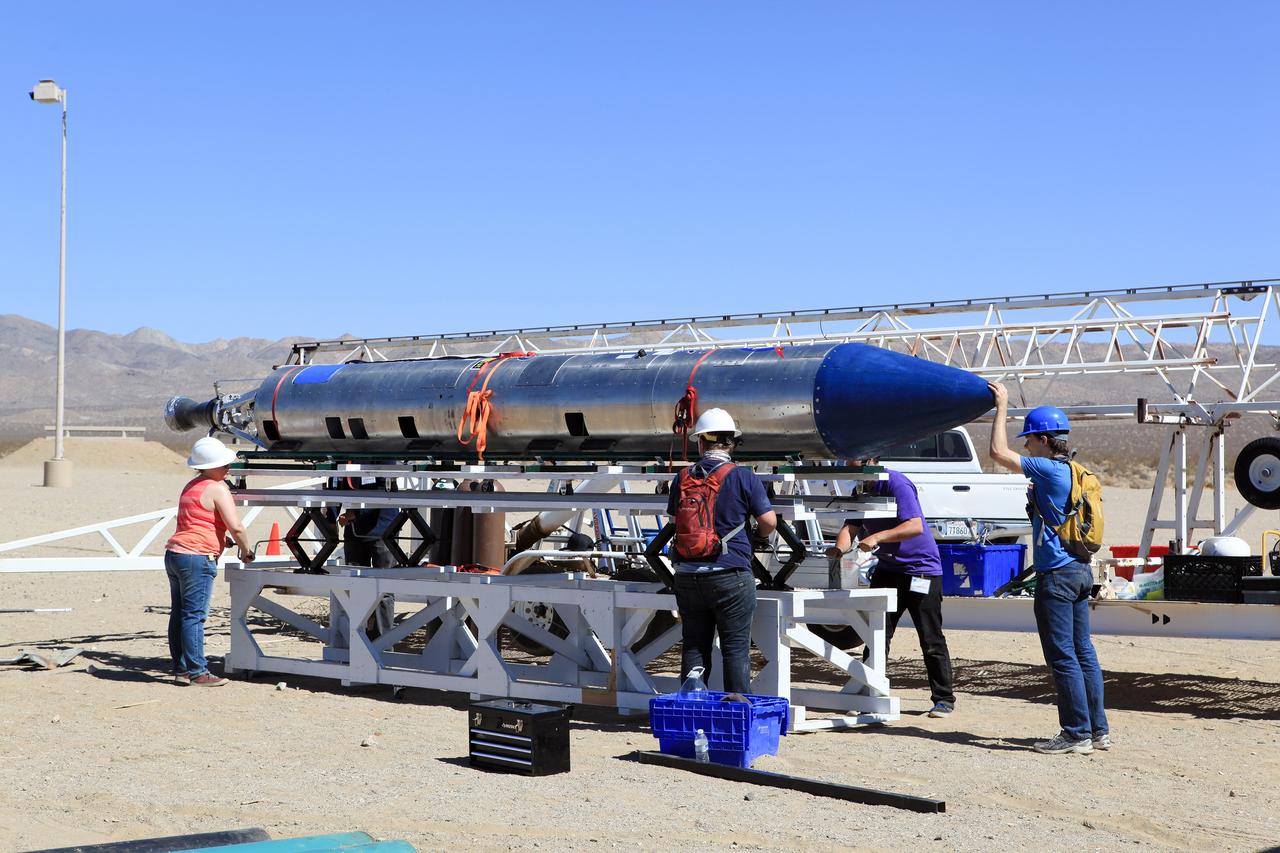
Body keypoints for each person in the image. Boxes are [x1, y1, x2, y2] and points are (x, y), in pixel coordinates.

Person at [988, 382, 1109, 754]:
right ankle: (1096, 729)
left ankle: (1075, 733)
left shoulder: (1047, 470)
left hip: (1056, 575)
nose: (1026, 446)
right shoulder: (1075, 470)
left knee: (1062, 656)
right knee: (1083, 651)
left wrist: (1002, 406)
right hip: (1079, 570)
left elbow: (997, 452)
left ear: (1042, 439)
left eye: (1029, 440)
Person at [826, 459, 956, 718]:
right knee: (876, 634)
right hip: (888, 569)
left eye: (856, 468)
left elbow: (914, 525)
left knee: (930, 638)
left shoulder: (897, 483)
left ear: (872, 461)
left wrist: (876, 537)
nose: (854, 475)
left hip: (921, 571)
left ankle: (944, 698)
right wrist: (838, 550)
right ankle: (867, 690)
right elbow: (850, 527)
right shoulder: (861, 489)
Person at [666, 408, 776, 694]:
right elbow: (768, 522)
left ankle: (691, 710)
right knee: (735, 648)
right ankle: (737, 711)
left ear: (700, 442)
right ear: (731, 442)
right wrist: (756, 537)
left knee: (694, 645)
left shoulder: (683, 477)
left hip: (688, 576)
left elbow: (675, 522)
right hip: (730, 575)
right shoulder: (743, 477)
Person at [163, 437, 255, 686]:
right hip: (197, 558)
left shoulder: (191, 485)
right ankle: (198, 672)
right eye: (224, 464)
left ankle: (181, 669)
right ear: (211, 466)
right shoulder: (217, 488)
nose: (228, 468)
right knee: (194, 616)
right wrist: (246, 550)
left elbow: (196, 521)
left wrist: (219, 540)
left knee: (180, 614)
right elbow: (235, 526)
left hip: (176, 554)